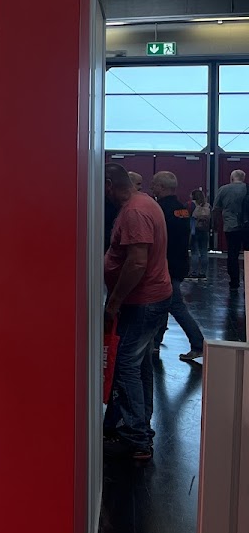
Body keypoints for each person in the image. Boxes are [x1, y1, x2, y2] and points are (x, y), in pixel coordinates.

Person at [103, 163, 172, 463]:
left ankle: (136, 437)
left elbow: (137, 263)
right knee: (140, 365)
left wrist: (114, 302)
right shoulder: (145, 203)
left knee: (126, 366)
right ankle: (140, 427)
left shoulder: (134, 211)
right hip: (151, 299)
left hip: (142, 302)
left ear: (109, 184)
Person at [150, 172, 205, 362]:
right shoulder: (182, 209)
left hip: (165, 265)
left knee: (175, 306)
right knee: (163, 303)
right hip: (180, 263)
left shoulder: (159, 209)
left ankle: (198, 344)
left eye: (154, 184)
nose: (151, 187)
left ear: (162, 187)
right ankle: (155, 343)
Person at [214, 169, 248, 289]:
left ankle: (234, 282)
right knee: (248, 254)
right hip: (247, 227)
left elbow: (216, 208)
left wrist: (215, 226)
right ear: (243, 178)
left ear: (232, 178)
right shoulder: (247, 188)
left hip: (231, 226)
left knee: (233, 254)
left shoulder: (224, 189)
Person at [190, 187, 211, 280]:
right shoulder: (208, 206)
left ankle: (194, 273)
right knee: (204, 252)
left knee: (194, 252)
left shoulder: (191, 205)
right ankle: (203, 273)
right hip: (204, 230)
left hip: (194, 230)